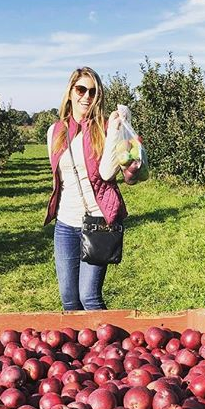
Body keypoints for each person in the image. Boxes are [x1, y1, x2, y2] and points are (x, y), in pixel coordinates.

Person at [44, 67, 128, 311]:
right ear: (70, 92)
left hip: (98, 221)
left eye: (92, 91)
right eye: (81, 89)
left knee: (89, 297)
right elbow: (59, 178)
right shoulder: (55, 132)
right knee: (69, 299)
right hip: (65, 224)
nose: (86, 97)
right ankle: (80, 349)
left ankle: (107, 349)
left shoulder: (104, 128)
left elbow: (107, 173)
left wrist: (115, 131)